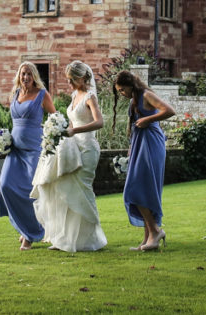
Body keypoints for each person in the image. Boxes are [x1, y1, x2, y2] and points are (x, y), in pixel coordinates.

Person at [31, 60, 107, 252]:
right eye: (68, 80)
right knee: (65, 190)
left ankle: (90, 241)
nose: (70, 84)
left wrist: (75, 130)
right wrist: (58, 131)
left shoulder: (90, 97)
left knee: (82, 191)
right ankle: (65, 240)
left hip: (88, 148)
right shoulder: (75, 95)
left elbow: (99, 122)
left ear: (82, 77)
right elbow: (72, 122)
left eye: (72, 80)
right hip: (73, 148)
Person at [113, 70, 174, 251]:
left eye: (122, 90)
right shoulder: (134, 100)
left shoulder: (147, 95)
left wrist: (148, 119)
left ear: (131, 85)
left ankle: (155, 232)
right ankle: (148, 238)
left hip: (152, 144)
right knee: (142, 189)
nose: (122, 94)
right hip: (140, 145)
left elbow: (169, 111)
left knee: (137, 188)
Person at [0, 62, 57, 251]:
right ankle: (24, 226)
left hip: (34, 150)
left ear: (34, 77)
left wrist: (49, 137)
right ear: (19, 75)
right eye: (23, 74)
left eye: (29, 75)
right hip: (15, 150)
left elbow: (55, 119)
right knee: (6, 184)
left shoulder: (42, 94)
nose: (26, 78)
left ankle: (29, 234)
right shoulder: (15, 94)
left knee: (30, 192)